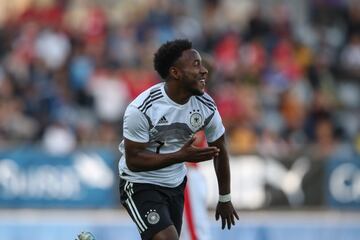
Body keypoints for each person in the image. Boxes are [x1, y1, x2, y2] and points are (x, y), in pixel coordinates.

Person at [118, 39, 238, 240]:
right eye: (196, 65)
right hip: (139, 183)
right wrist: (180, 156)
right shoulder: (141, 109)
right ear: (175, 73)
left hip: (175, 185)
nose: (204, 71)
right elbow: (134, 161)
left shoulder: (206, 106)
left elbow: (221, 150)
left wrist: (225, 197)